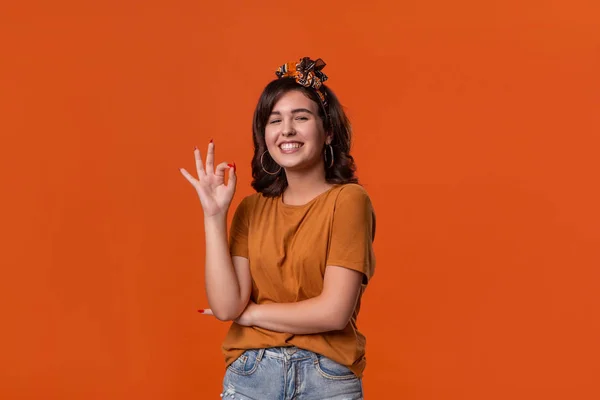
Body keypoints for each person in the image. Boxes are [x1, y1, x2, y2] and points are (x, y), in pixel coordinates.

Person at [180, 57, 376, 400]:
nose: (286, 130)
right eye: (275, 120)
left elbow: (333, 312)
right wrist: (213, 216)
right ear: (265, 135)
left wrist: (252, 314)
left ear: (328, 131)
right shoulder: (250, 209)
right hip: (251, 377)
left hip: (326, 378)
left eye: (300, 118)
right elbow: (227, 308)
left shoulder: (348, 201)